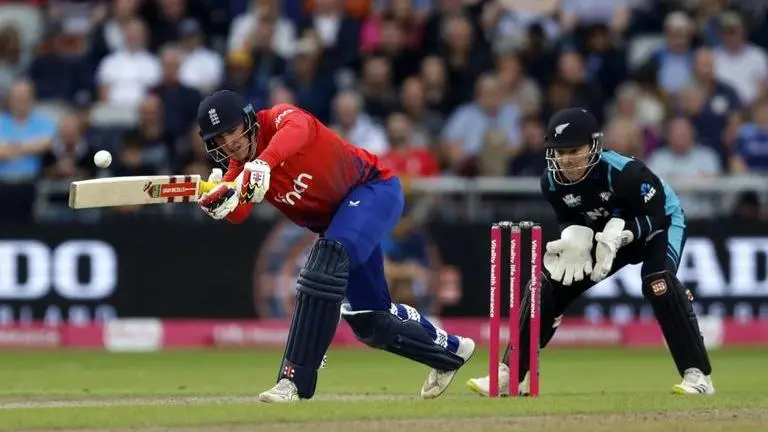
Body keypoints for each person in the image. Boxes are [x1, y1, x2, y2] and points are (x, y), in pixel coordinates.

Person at [194, 90, 475, 403]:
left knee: (324, 262)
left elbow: (298, 129)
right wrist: (218, 201)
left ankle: (294, 380)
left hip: (372, 190)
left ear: (247, 120)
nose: (229, 143)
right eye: (220, 139)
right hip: (342, 223)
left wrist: (264, 163)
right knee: (371, 322)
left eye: (232, 130)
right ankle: (450, 352)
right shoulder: (239, 168)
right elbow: (239, 212)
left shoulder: (278, 119)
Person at [466, 107, 715, 396]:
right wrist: (574, 236)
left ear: (593, 146)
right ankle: (511, 373)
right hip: (605, 235)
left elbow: (657, 214)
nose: (566, 159)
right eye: (559, 152)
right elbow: (569, 216)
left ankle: (697, 376)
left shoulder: (625, 172)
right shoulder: (550, 182)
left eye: (574, 150)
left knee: (658, 283)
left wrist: (625, 234)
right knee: (544, 287)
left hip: (659, 226)